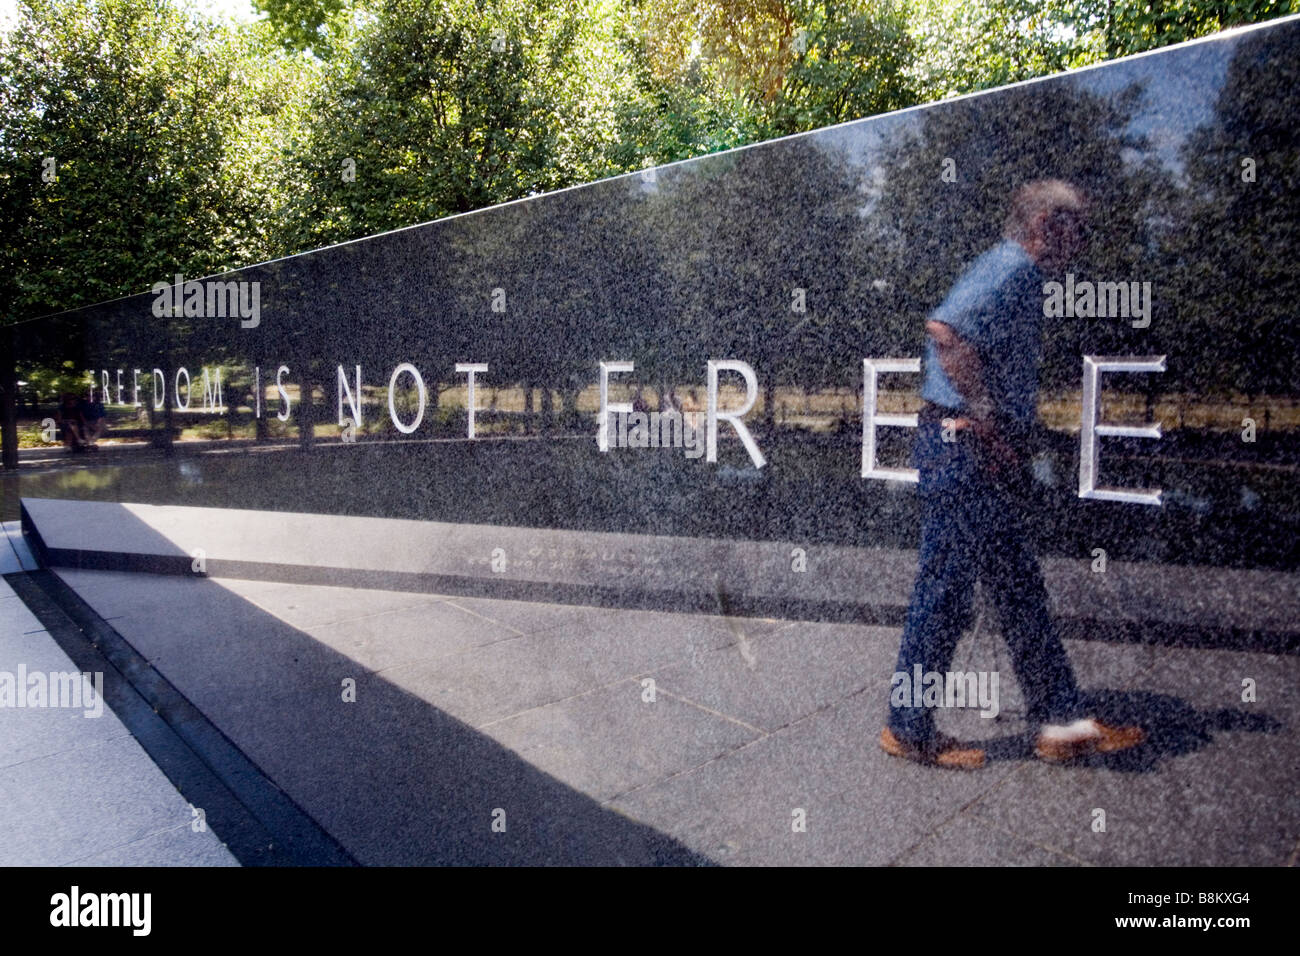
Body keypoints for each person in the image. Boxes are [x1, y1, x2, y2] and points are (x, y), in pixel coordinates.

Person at [880, 179, 1146, 769]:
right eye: (1080, 226)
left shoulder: (1018, 273)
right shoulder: (1012, 271)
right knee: (945, 594)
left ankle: (1062, 720)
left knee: (1018, 589)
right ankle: (907, 727)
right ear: (1048, 225)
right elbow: (947, 333)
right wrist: (988, 418)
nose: (1084, 239)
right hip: (965, 450)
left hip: (973, 451)